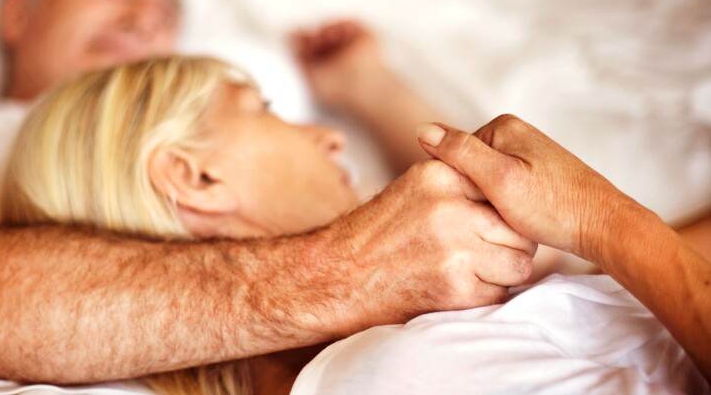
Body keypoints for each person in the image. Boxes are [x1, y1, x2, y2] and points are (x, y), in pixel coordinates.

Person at [0, 0, 533, 388]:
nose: (145, 18)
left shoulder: (230, 140)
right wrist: (348, 273)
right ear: (20, 11)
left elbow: (511, 239)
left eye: (168, 9)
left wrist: (369, 88)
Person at [286, 117, 711, 393]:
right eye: (262, 108)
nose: (331, 135)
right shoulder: (397, 371)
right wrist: (600, 217)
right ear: (214, 183)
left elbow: (544, 254)